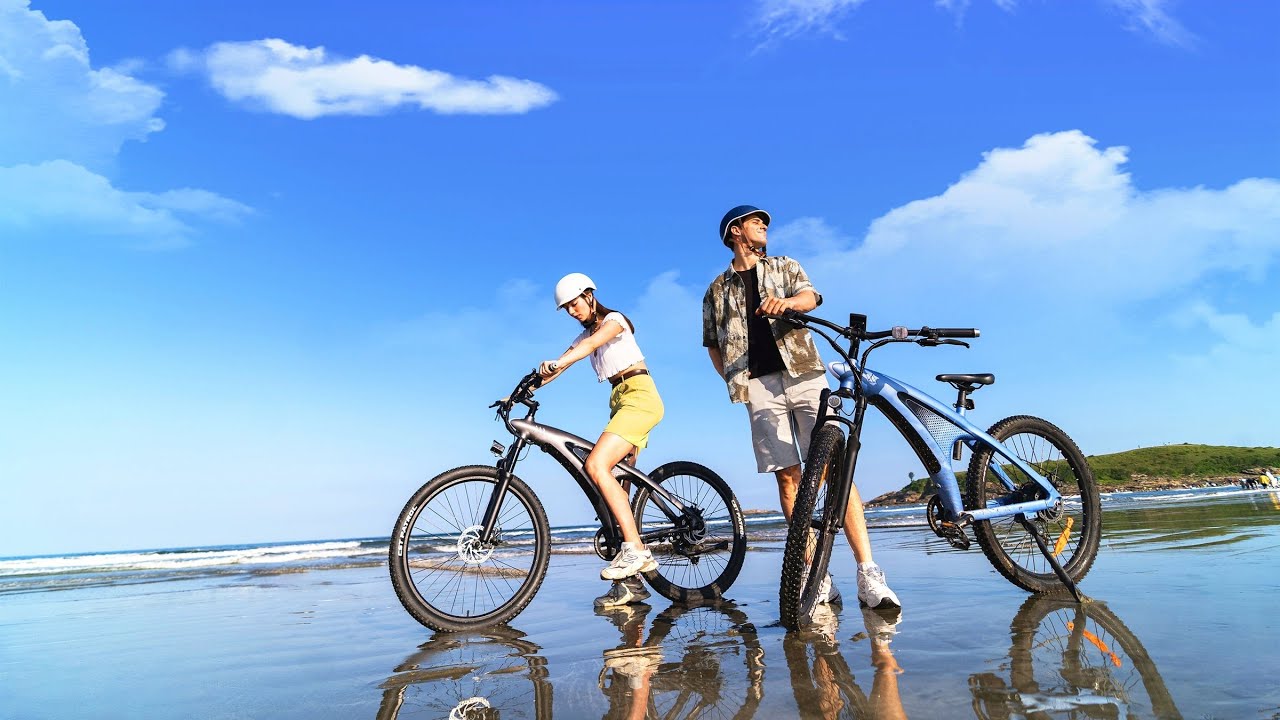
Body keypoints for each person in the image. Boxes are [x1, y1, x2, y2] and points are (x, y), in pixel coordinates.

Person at [701, 205, 900, 609]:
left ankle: (868, 573)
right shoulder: (716, 290)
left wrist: (787, 303)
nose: (765, 227)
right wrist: (735, 381)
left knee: (834, 469)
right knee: (788, 479)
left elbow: (811, 297)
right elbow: (712, 344)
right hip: (758, 387)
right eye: (758, 222)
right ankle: (817, 574)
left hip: (805, 374)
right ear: (735, 231)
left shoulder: (784, 265)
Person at [538, 272, 665, 608]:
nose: (571, 310)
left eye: (574, 303)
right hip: (619, 400)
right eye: (565, 308)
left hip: (640, 395)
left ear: (590, 295)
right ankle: (630, 586)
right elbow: (561, 367)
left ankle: (637, 550)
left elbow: (590, 347)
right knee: (616, 489)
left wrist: (561, 361)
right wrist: (527, 386)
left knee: (596, 464)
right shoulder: (584, 334)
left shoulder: (614, 320)